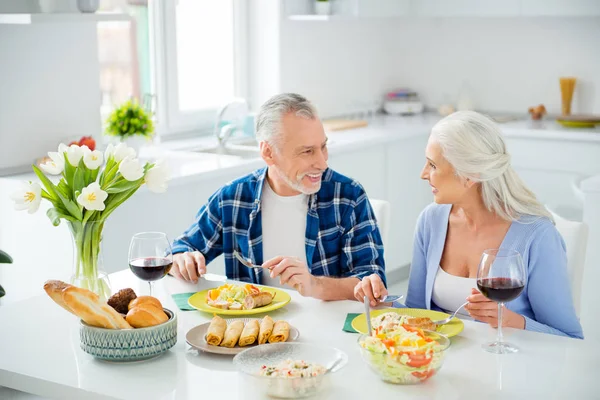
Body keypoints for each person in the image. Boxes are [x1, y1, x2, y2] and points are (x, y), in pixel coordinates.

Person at [355, 111, 583, 339]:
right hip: (442, 363)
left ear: (469, 175)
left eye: (433, 165)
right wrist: (381, 300)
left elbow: (569, 336)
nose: (423, 174)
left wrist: (512, 321)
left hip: (509, 367)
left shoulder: (538, 236)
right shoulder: (431, 221)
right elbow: (418, 313)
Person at [170, 93, 386, 300]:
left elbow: (372, 281)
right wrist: (180, 260)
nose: (322, 163)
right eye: (307, 151)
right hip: (252, 331)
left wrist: (314, 285)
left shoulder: (348, 196)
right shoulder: (233, 199)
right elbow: (180, 250)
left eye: (323, 146)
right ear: (268, 153)